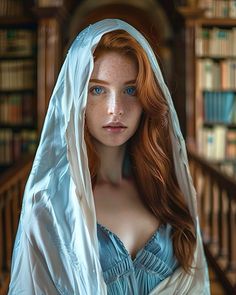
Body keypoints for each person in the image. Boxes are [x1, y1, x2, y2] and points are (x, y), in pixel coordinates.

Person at [8, 19, 210, 294]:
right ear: (76, 98)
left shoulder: (169, 186)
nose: (116, 109)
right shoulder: (47, 203)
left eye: (130, 90)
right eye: (97, 90)